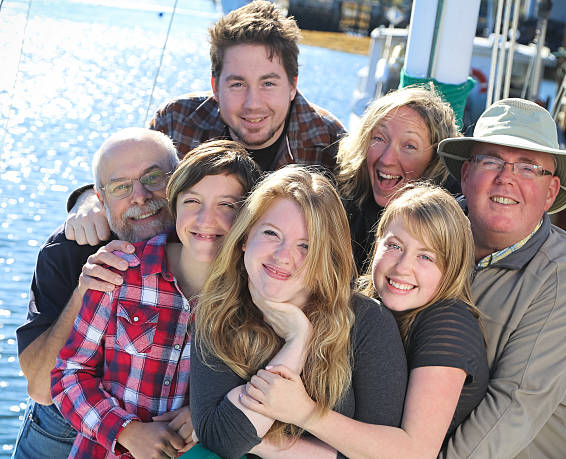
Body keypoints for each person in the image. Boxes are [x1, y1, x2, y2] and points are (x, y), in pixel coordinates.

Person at [66, 0, 345, 247]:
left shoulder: (329, 141)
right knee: (68, 246)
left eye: (268, 83)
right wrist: (89, 198)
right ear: (215, 85)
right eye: (237, 84)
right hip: (185, 279)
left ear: (293, 85)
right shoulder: (178, 120)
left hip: (276, 284)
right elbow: (129, 176)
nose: (252, 103)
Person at [239, 182, 489, 458]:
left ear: (451, 269)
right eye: (394, 246)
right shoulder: (363, 307)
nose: (403, 266)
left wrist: (297, 416)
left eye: (426, 257)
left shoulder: (448, 324)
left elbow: (414, 452)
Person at [50, 140, 262, 458]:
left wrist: (208, 415)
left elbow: (265, 380)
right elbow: (68, 373)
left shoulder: (257, 295)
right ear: (173, 205)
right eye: (193, 202)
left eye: (227, 206)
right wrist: (127, 431)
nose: (206, 219)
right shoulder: (119, 271)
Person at [188, 166, 408, 458]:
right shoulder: (218, 312)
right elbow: (222, 440)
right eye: (270, 233)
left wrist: (283, 424)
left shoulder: (367, 322)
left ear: (325, 259)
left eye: (305, 246)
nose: (283, 256)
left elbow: (379, 453)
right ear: (244, 238)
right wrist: (297, 341)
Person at [436, 98, 566, 458]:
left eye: (528, 167)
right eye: (491, 160)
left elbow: (512, 412)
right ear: (466, 174)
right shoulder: (428, 237)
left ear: (551, 192)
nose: (506, 177)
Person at [12, 128, 179, 458]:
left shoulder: (207, 240)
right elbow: (41, 387)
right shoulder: (67, 250)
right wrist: (83, 291)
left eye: (154, 178)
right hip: (61, 431)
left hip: (162, 435)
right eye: (121, 187)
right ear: (101, 200)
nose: (141, 196)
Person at [335, 85, 460, 272]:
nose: (386, 159)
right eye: (379, 138)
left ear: (434, 160)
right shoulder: (342, 206)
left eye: (409, 146)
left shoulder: (449, 232)